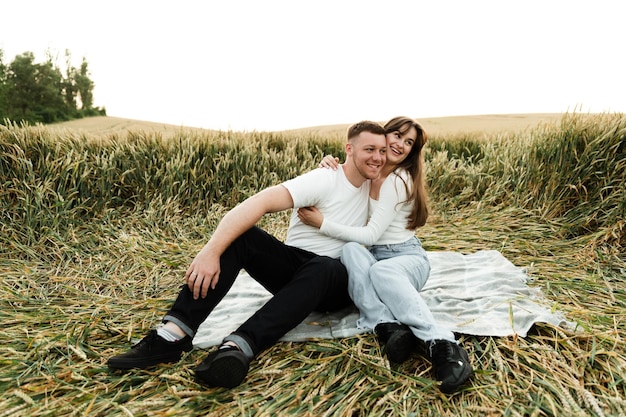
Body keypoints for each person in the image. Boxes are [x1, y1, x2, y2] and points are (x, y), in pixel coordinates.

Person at [107, 121, 387, 389]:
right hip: (296, 269)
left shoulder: (381, 183)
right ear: (349, 149)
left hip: (337, 280)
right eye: (369, 149)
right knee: (243, 237)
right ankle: (172, 335)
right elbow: (260, 202)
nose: (377, 157)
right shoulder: (325, 179)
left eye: (382, 151)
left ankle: (237, 347)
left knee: (325, 266)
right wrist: (210, 251)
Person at [297, 116, 472, 394]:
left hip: (406, 259)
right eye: (397, 135)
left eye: (409, 142)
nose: (400, 144)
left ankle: (442, 344)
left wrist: (322, 224)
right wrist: (329, 166)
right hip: (377, 257)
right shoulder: (372, 172)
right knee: (350, 251)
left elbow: (371, 235)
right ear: (384, 135)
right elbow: (348, 174)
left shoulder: (399, 180)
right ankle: (386, 325)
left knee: (380, 269)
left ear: (413, 151)